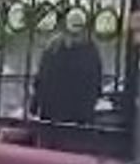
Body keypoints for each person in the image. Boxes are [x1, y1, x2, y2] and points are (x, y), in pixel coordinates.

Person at [30, 25, 104, 153]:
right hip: (78, 114)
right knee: (75, 146)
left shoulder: (53, 47)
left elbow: (41, 79)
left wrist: (34, 105)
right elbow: (96, 82)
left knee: (52, 147)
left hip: (54, 113)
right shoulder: (90, 49)